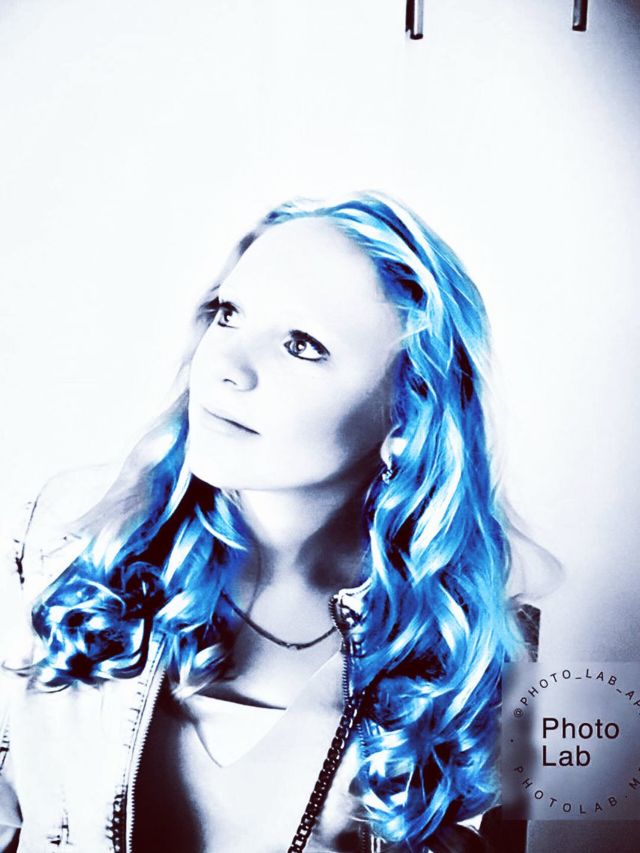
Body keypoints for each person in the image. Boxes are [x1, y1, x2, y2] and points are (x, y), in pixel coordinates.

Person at [0, 192, 539, 852]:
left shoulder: (480, 656)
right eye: (228, 314)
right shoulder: (61, 547)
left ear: (408, 411)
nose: (224, 366)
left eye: (301, 345)